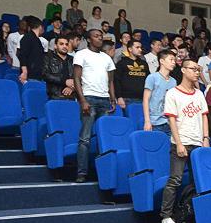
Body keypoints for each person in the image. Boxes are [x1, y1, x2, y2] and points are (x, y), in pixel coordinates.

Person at [159, 58, 209, 223]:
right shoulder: (173, 93)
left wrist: (205, 138)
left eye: (198, 69)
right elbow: (172, 120)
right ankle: (165, 217)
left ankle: (189, 216)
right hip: (181, 143)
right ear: (183, 70)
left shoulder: (199, 94)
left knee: (197, 182)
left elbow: (204, 116)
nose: (197, 72)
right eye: (193, 69)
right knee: (175, 180)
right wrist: (179, 143)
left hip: (197, 144)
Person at [73, 29, 115, 183]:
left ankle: (101, 174)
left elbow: (110, 81)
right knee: (85, 138)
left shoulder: (107, 58)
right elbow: (76, 79)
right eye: (96, 36)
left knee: (104, 138)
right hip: (89, 98)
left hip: (104, 100)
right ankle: (82, 173)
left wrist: (113, 99)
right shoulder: (81, 54)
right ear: (89, 39)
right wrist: (82, 100)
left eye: (101, 36)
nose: (100, 38)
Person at [142, 49, 177, 135]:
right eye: (171, 59)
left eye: (174, 60)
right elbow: (146, 100)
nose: (173, 62)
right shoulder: (152, 77)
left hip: (169, 122)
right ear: (162, 61)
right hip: (155, 122)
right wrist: (147, 121)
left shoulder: (173, 81)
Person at [114, 39, 148, 109]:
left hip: (143, 98)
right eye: (137, 47)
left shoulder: (144, 63)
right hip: (126, 98)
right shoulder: (122, 63)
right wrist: (119, 97)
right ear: (130, 49)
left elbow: (148, 80)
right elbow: (117, 80)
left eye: (140, 47)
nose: (140, 50)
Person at [43, 36, 75, 100]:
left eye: (66, 44)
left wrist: (72, 87)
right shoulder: (48, 58)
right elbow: (45, 75)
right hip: (54, 96)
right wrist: (64, 81)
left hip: (71, 96)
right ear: (55, 46)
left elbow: (79, 76)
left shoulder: (73, 59)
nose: (64, 46)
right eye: (61, 44)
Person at [17, 16, 46, 83]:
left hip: (36, 74)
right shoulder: (28, 37)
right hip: (31, 75)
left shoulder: (35, 39)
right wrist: (24, 71)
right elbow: (22, 55)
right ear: (40, 27)